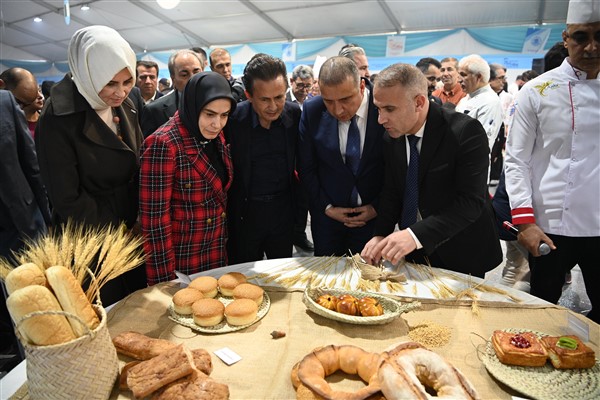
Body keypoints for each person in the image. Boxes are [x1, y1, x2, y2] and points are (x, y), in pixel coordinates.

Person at [35, 25, 146, 305]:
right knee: (106, 311)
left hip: (130, 226)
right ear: (87, 72)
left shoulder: (128, 102)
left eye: (127, 82)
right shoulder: (57, 116)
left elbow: (137, 157)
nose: (120, 92)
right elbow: (66, 197)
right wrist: (118, 232)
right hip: (90, 237)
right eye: (110, 83)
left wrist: (139, 217)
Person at [504, 0, 600, 323]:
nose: (591, 46)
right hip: (548, 226)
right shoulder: (536, 91)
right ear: (565, 37)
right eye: (581, 37)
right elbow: (515, 160)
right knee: (540, 313)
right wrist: (525, 222)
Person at [361, 63, 502, 277]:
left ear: (418, 102)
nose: (381, 119)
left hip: (461, 251)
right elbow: (392, 190)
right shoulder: (393, 137)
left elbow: (470, 202)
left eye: (389, 109)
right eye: (378, 109)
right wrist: (381, 234)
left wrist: (414, 235)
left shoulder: (464, 132)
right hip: (414, 252)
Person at [140, 72, 236, 285]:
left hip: (216, 254)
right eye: (209, 114)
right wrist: (164, 283)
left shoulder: (213, 135)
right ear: (193, 106)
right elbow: (154, 223)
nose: (217, 123)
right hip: (182, 264)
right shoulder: (163, 144)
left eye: (224, 115)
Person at [298, 56, 385, 256]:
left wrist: (377, 207)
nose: (338, 110)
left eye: (346, 99)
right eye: (329, 101)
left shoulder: (383, 106)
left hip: (374, 221)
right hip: (328, 221)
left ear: (362, 87)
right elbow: (306, 167)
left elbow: (396, 168)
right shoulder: (312, 111)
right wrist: (326, 207)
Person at [225, 55, 301, 264]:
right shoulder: (233, 120)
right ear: (249, 95)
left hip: (283, 212)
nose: (273, 106)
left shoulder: (294, 115)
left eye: (279, 97)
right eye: (265, 99)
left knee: (282, 273)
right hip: (245, 215)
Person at [140, 49, 203, 137]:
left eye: (196, 72)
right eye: (184, 75)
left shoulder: (217, 103)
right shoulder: (154, 111)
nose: (192, 79)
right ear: (173, 79)